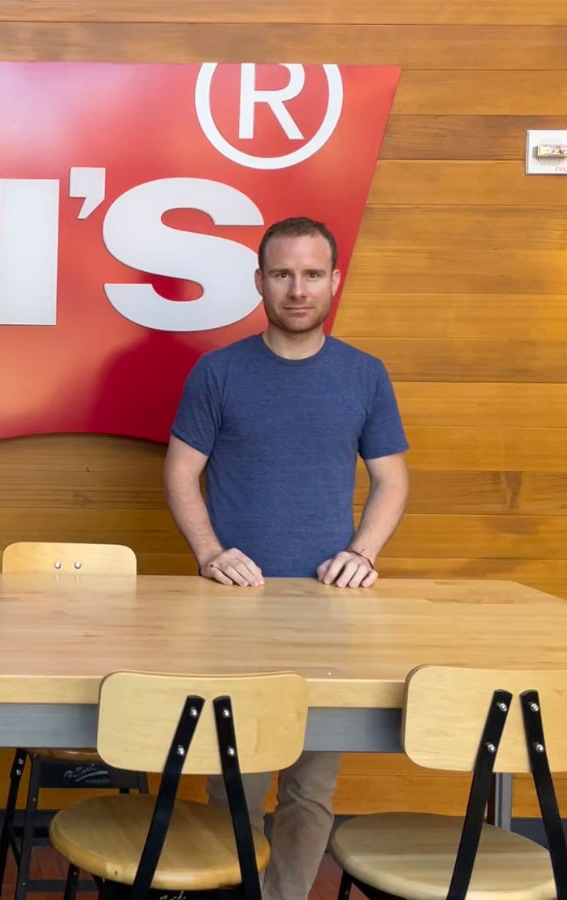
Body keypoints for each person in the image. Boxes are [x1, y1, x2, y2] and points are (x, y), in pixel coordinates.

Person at [162, 216, 410, 900]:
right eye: (282, 274)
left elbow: (392, 480)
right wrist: (209, 553)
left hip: (328, 615)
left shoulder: (365, 375)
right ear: (260, 283)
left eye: (310, 274)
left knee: (309, 790)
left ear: (334, 281)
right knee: (233, 783)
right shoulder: (218, 372)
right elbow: (181, 473)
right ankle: (236, 891)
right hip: (233, 614)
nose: (297, 289)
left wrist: (363, 552)